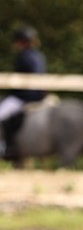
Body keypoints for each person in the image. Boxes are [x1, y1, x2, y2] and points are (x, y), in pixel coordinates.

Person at [0, 26, 47, 160]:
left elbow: (20, 81)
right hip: (40, 95)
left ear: (21, 42)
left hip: (24, 96)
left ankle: (6, 146)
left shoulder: (23, 56)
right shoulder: (39, 55)